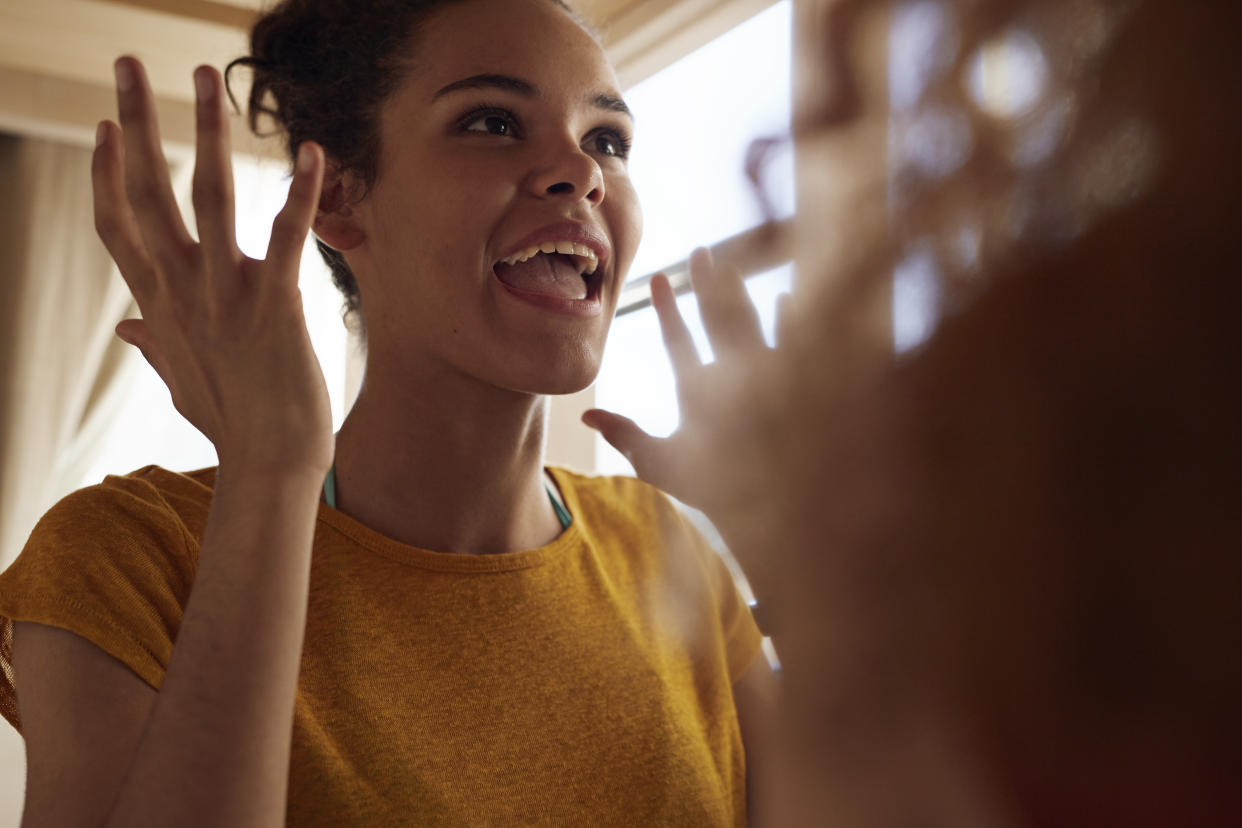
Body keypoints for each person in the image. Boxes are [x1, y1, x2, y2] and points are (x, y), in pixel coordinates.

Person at [0, 0, 778, 825]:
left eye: (606, 140)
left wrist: (801, 568)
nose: (582, 171)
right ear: (336, 194)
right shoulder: (132, 554)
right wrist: (269, 472)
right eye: (492, 121)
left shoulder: (669, 552)